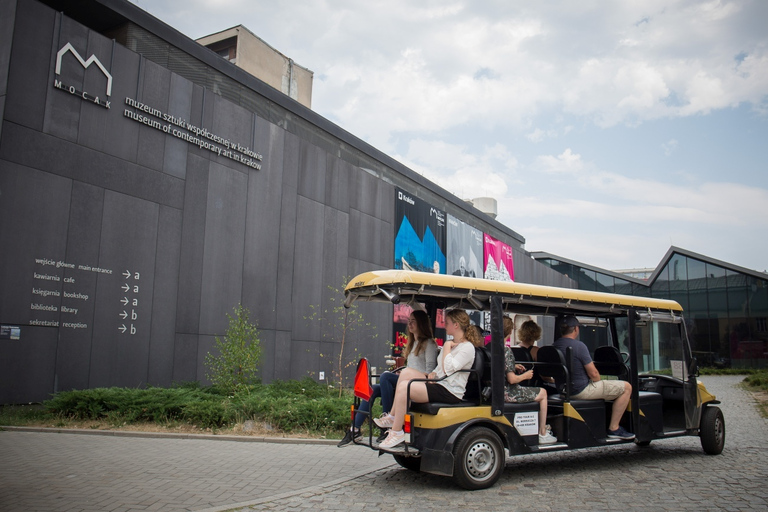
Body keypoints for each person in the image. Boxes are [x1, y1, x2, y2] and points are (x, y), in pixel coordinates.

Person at [377, 309, 483, 450]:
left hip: (450, 391)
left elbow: (448, 369)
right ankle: (392, 416)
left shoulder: (467, 347)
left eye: (448, 322)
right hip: (440, 382)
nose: (445, 324)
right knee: (406, 372)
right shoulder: (452, 343)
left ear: (456, 325)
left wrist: (446, 347)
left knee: (404, 387)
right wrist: (433, 373)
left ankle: (397, 432)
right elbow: (441, 368)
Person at [337, 310, 437, 447]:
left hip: (416, 383)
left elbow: (430, 371)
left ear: (421, 323)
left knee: (385, 377)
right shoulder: (413, 342)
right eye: (409, 320)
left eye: (413, 321)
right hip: (406, 379)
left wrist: (407, 374)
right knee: (373, 389)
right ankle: (354, 429)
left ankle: (389, 420)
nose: (410, 323)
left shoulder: (429, 344)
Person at [553, 316, 635, 440]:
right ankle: (614, 428)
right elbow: (594, 374)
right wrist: (598, 383)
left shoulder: (555, 345)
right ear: (576, 329)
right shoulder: (579, 346)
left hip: (563, 391)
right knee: (626, 387)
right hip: (581, 390)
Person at [504, 342, 557, 444]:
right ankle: (542, 433)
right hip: (510, 392)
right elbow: (512, 379)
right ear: (510, 331)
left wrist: (514, 367)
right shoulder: (506, 349)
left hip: (501, 390)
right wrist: (526, 376)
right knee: (543, 392)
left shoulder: (492, 347)